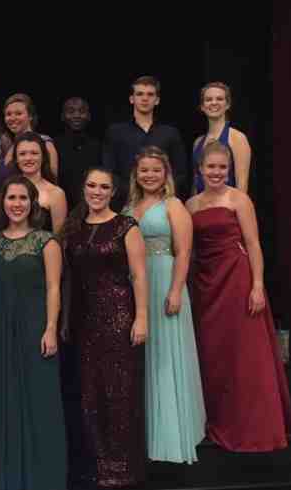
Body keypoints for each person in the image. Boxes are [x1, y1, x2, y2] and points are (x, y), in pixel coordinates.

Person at [186, 141, 291, 452]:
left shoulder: (239, 200)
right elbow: (189, 250)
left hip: (237, 279)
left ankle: (250, 423)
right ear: (200, 169)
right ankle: (217, 417)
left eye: (222, 167)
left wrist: (258, 285)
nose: (216, 172)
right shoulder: (191, 205)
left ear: (230, 170)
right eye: (210, 167)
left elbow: (253, 245)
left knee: (243, 352)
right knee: (213, 352)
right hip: (205, 283)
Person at [63, 167, 148, 487]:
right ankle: (99, 464)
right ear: (83, 188)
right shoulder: (73, 228)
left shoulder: (126, 226)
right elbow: (68, 277)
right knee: (90, 394)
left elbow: (139, 276)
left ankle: (122, 467)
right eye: (91, 185)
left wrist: (142, 317)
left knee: (119, 392)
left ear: (113, 192)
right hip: (84, 321)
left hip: (119, 317)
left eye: (103, 187)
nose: (96, 192)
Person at [0, 175, 67, 490]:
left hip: (35, 329)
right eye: (11, 198)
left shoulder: (47, 241)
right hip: (2, 330)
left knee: (40, 402)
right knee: (3, 402)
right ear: (2, 203)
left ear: (32, 204)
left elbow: (54, 287)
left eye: (22, 198)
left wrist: (50, 329)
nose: (16, 204)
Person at [124, 145, 205, 464]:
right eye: (143, 170)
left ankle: (171, 435)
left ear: (166, 173)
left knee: (166, 357)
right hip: (135, 285)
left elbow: (184, 252)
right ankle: (145, 434)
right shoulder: (129, 206)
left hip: (165, 280)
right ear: (136, 173)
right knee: (144, 358)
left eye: (155, 170)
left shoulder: (174, 206)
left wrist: (175, 290)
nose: (149, 175)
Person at [102, 76, 187, 197]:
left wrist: (161, 193)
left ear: (157, 100)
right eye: (140, 94)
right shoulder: (115, 132)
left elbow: (180, 173)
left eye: (150, 94)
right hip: (124, 202)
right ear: (132, 99)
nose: (145, 98)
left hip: (161, 201)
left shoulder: (170, 133)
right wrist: (131, 193)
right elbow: (109, 171)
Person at [192, 81, 252, 193]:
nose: (214, 103)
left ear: (227, 104)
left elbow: (242, 185)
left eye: (219, 99)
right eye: (208, 99)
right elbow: (196, 184)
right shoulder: (198, 142)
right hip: (201, 207)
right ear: (202, 107)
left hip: (227, 207)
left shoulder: (237, 138)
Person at [0, 93, 59, 184]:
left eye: (18, 113)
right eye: (8, 114)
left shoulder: (44, 142)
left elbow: (53, 182)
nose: (12, 118)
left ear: (30, 116)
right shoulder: (8, 145)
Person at [14, 132, 67, 233]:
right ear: (16, 159)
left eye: (34, 153)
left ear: (43, 157)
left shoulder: (56, 194)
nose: (28, 158)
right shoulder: (7, 189)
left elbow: (59, 239)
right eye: (22, 154)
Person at [54, 97, 101, 206]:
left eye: (81, 111)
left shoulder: (98, 145)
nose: (76, 115)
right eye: (70, 111)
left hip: (91, 204)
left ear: (89, 116)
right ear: (62, 116)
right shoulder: (53, 145)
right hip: (62, 204)